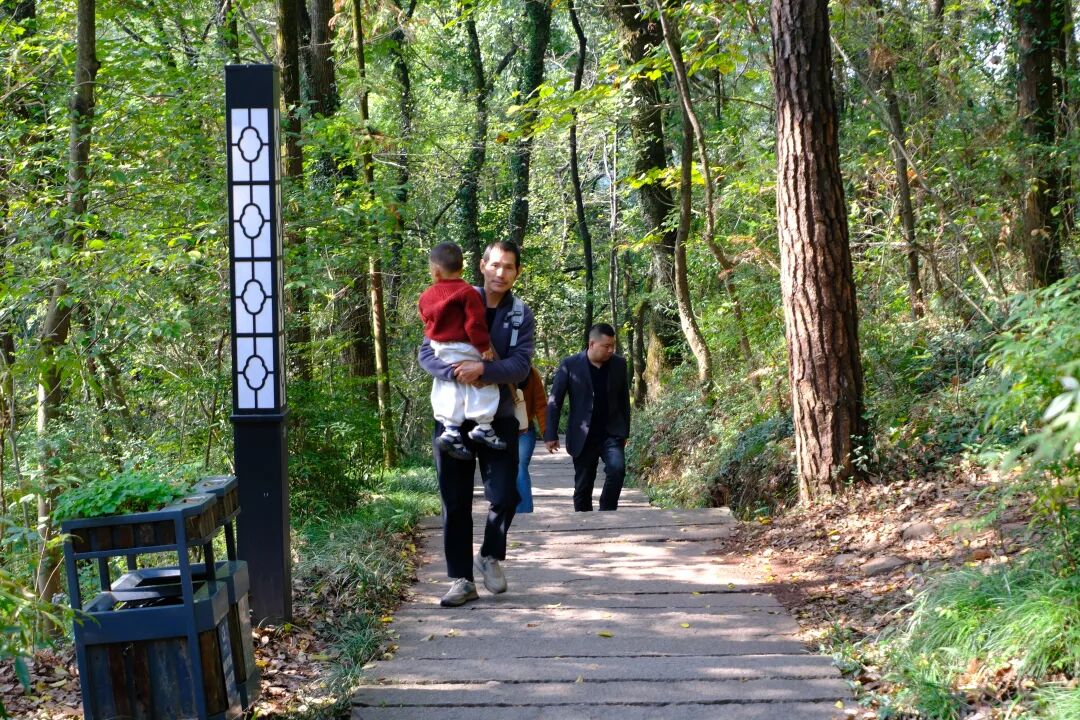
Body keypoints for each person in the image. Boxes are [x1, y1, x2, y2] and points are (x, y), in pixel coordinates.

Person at [418, 240, 535, 607]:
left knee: (505, 495)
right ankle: (461, 581)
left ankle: (489, 554)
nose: (501, 272)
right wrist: (456, 372)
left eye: (509, 267)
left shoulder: (519, 315)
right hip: (452, 419)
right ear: (482, 265)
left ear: (516, 273)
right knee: (455, 501)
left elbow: (521, 365)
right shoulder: (451, 297)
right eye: (495, 265)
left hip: (497, 417)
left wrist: (483, 369)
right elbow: (426, 351)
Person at [418, 242, 504, 459]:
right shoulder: (467, 293)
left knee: (448, 387)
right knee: (483, 381)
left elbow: (426, 321)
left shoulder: (426, 296)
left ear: (435, 271)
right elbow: (474, 324)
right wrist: (484, 348)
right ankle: (484, 426)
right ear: (462, 269)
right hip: (464, 346)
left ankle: (450, 430)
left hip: (440, 348)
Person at [544, 323, 631, 511]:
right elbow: (554, 401)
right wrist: (550, 434)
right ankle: (583, 521)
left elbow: (624, 399)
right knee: (583, 485)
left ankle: (607, 512)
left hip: (611, 432)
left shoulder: (619, 364)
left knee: (617, 470)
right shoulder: (570, 365)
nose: (610, 350)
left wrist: (625, 431)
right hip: (583, 435)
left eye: (612, 346)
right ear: (592, 344)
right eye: (606, 346)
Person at [515, 366, 547, 513]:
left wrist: (547, 432)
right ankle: (505, 508)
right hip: (499, 430)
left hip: (525, 430)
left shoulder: (532, 373)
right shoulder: (496, 369)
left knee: (520, 465)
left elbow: (541, 404)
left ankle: (524, 513)